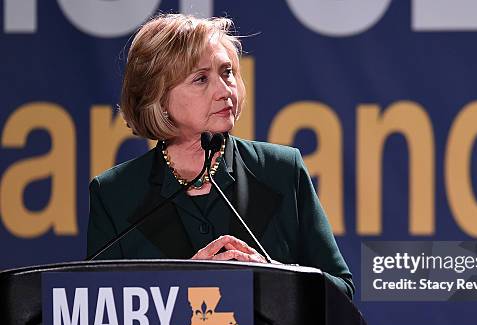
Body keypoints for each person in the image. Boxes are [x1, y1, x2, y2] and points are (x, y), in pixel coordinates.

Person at [86, 14, 354, 298]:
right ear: (158, 98)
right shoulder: (115, 193)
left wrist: (276, 277)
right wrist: (180, 284)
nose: (224, 90)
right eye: (201, 79)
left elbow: (341, 289)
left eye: (227, 73)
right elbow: (93, 307)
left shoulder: (282, 170)